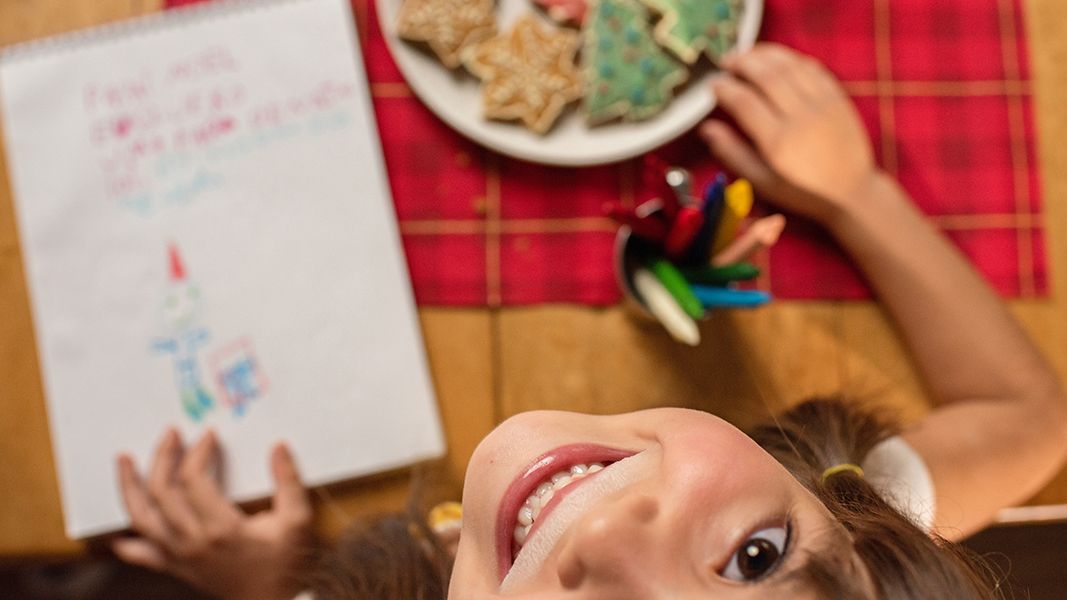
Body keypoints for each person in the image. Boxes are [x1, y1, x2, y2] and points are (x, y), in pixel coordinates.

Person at [110, 43, 1067, 599]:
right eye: (753, 558)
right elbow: (1028, 417)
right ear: (851, 520)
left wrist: (272, 578)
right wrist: (854, 191)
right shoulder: (858, 528)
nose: (609, 535)